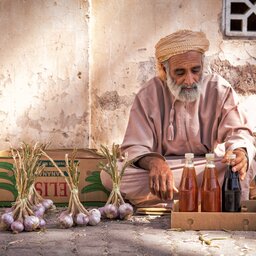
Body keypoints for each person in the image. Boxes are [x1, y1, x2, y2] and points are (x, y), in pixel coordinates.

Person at [100, 29, 256, 208]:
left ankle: (170, 199)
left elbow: (239, 132)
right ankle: (207, 197)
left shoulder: (218, 89)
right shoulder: (149, 94)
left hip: (207, 166)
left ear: (202, 66)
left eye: (195, 70)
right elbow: (135, 146)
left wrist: (240, 152)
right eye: (180, 72)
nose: (189, 80)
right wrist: (154, 163)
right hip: (164, 167)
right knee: (110, 175)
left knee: (245, 167)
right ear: (164, 71)